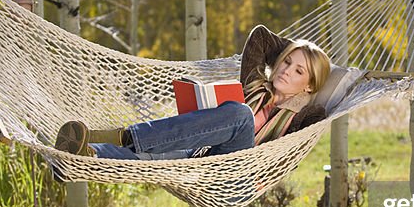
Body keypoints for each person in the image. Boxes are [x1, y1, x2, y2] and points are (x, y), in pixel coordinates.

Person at [54, 25, 332, 160]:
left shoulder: (303, 116)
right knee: (148, 161)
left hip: (239, 176)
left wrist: (311, 59)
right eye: (285, 61)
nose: (285, 70)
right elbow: (260, 37)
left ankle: (124, 134)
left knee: (240, 114)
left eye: (298, 71)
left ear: (309, 85)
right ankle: (82, 155)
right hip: (200, 158)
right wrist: (296, 52)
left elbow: (313, 122)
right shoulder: (255, 85)